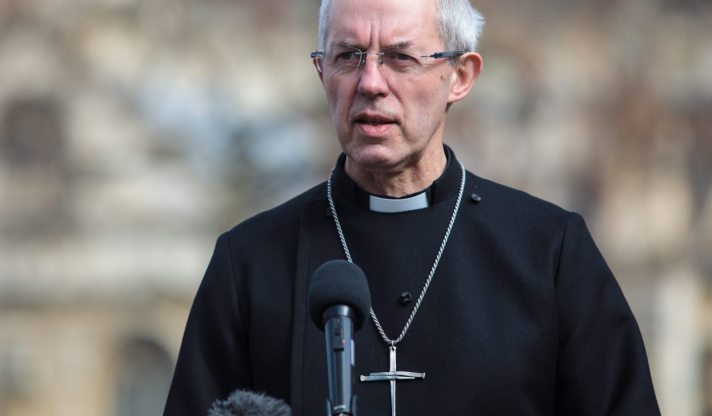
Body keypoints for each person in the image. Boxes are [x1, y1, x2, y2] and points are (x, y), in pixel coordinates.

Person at [164, 0, 661, 414]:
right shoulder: (247, 265)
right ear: (322, 72)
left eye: (400, 58)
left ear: (460, 76)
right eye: (349, 56)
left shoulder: (550, 254)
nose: (371, 83)